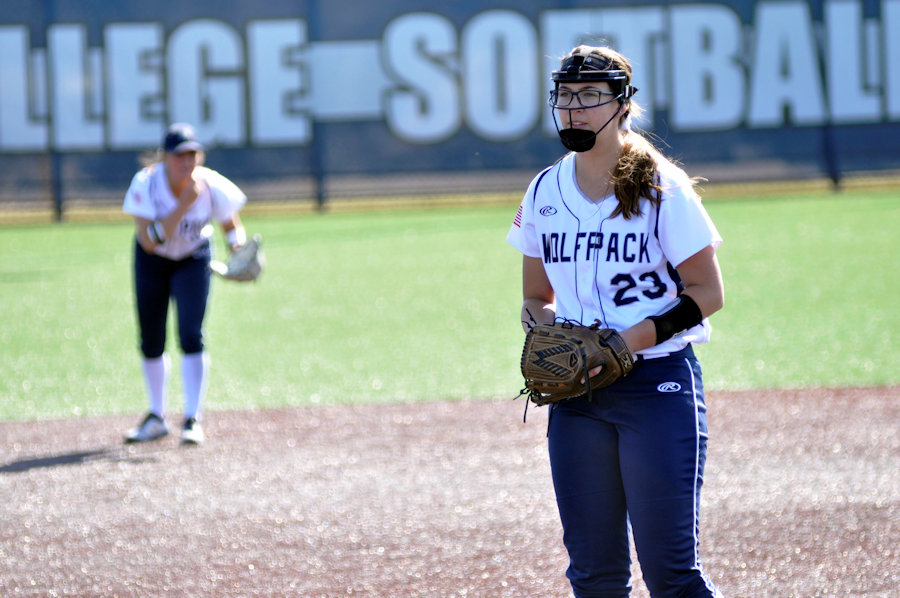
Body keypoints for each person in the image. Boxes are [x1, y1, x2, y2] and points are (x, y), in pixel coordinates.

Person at [506, 46, 726, 597]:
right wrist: (546, 334)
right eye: (565, 95)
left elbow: (708, 292)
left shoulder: (662, 186)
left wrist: (621, 344)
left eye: (589, 96)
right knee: (595, 578)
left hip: (655, 387)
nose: (573, 109)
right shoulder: (543, 190)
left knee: (672, 576)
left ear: (621, 104)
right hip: (577, 398)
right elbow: (535, 295)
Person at [122, 123, 248, 445]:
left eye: (192, 154)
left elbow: (230, 223)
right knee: (151, 338)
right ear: (164, 157)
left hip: (193, 259)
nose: (187, 162)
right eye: (180, 155)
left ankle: (193, 418)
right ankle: (156, 416)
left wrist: (240, 253)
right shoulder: (147, 184)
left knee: (192, 334)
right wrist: (183, 205)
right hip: (153, 261)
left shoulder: (209, 184)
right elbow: (149, 242)